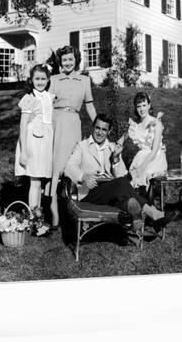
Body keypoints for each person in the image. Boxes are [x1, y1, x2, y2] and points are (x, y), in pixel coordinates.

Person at [64, 114, 168, 227]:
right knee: (121, 183)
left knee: (126, 198)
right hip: (90, 193)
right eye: (97, 128)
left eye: (104, 129)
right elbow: (69, 167)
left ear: (108, 132)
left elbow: (121, 175)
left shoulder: (113, 147)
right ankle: (151, 213)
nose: (100, 132)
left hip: (110, 193)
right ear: (92, 128)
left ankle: (136, 214)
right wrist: (84, 176)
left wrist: (116, 159)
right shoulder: (82, 146)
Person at [47, 45, 97, 228]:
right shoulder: (53, 79)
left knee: (75, 167)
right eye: (64, 59)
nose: (67, 62)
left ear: (76, 60)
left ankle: (80, 214)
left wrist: (99, 124)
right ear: (60, 62)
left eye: (70, 59)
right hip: (56, 124)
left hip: (74, 124)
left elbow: (89, 105)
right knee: (56, 170)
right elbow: (46, 105)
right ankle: (54, 216)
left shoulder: (84, 80)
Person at [15, 64, 54, 213]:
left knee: (39, 182)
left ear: (48, 79)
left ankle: (37, 214)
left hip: (45, 143)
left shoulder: (50, 97)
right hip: (33, 143)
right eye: (37, 78)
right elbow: (23, 126)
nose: (40, 82)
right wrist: (24, 152)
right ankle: (34, 217)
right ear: (31, 80)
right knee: (35, 181)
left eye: (43, 78)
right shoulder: (29, 98)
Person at [128, 92, 168, 190]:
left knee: (145, 176)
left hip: (155, 158)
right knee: (134, 180)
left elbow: (154, 150)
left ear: (149, 106)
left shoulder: (156, 123)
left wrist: (142, 167)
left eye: (144, 105)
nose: (142, 109)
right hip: (142, 157)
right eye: (139, 106)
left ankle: (150, 200)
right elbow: (124, 136)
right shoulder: (136, 126)